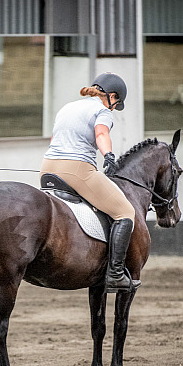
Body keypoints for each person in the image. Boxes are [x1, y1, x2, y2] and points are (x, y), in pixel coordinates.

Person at [40, 72, 141, 293]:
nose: (114, 108)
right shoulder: (102, 110)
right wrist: (109, 155)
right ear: (112, 96)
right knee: (125, 212)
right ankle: (115, 275)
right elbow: (101, 134)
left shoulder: (67, 107)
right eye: (116, 103)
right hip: (76, 170)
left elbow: (54, 139)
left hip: (47, 168)